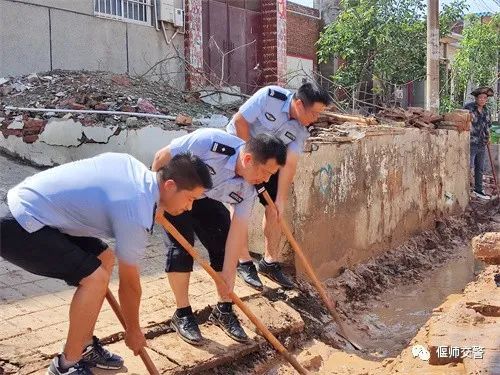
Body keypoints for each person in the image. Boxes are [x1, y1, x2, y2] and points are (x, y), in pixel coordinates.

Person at [0, 152, 212, 375]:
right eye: (190, 199)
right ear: (169, 185)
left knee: (104, 258)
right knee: (94, 279)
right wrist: (133, 331)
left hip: (28, 204)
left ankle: (83, 347)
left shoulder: (133, 167)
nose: (189, 208)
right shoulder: (136, 210)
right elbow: (129, 285)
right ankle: (66, 366)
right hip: (19, 224)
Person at [152, 128, 287, 345]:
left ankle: (223, 310)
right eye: (265, 172)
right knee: (182, 249)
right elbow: (161, 157)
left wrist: (227, 281)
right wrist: (155, 197)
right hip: (178, 192)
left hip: (206, 198)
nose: (266, 179)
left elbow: (236, 234)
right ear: (248, 159)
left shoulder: (250, 188)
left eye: (272, 174)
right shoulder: (209, 143)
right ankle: (183, 314)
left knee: (224, 248)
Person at [227, 82, 332, 290]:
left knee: (274, 210)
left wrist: (280, 200)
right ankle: (244, 262)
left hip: (271, 160)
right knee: (240, 206)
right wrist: (253, 166)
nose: (316, 118)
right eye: (314, 113)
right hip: (241, 150)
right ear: (300, 104)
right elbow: (240, 122)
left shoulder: (303, 128)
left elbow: (290, 163)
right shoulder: (269, 96)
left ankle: (269, 262)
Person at [464, 86, 494, 200]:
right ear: (476, 98)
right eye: (480, 97)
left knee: (480, 168)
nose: (482, 100)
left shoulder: (487, 110)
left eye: (485, 98)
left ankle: (478, 189)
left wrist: (489, 137)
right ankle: (466, 189)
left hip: (482, 143)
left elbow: (488, 126)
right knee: (469, 166)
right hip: (471, 142)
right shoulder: (469, 108)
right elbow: (464, 122)